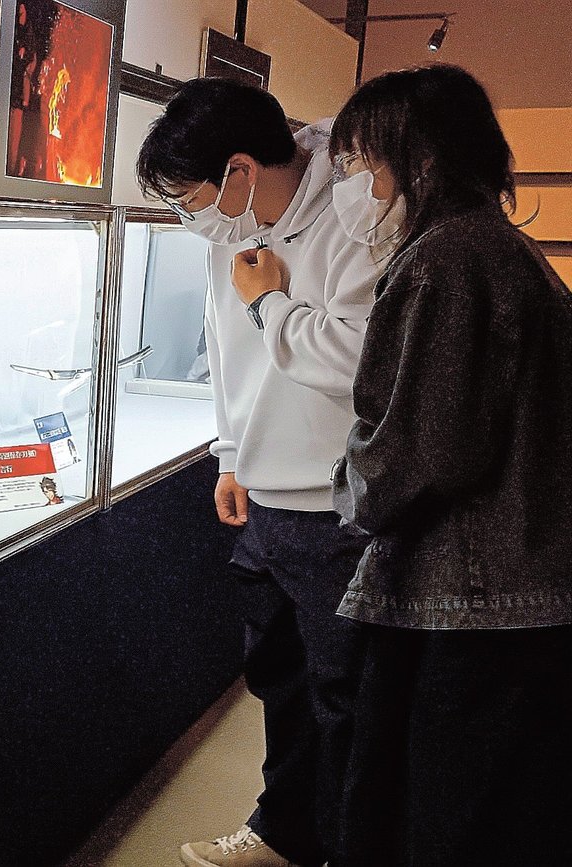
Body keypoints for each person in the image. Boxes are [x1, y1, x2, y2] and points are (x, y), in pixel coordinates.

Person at [322, 63, 572, 866]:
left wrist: (350, 487)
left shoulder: (446, 258)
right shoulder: (502, 248)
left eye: (363, 161)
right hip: (509, 591)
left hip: (470, 598)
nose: (353, 184)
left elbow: (427, 448)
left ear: (421, 160)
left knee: (441, 814)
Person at [135, 77, 382, 867]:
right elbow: (225, 344)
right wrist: (231, 453)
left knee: (345, 694)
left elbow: (359, 364)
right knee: (278, 677)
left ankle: (347, 844)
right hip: (264, 499)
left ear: (240, 170)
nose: (190, 219)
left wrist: (270, 304)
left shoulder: (354, 217)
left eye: (189, 199)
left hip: (338, 507)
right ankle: (283, 832)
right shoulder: (230, 230)